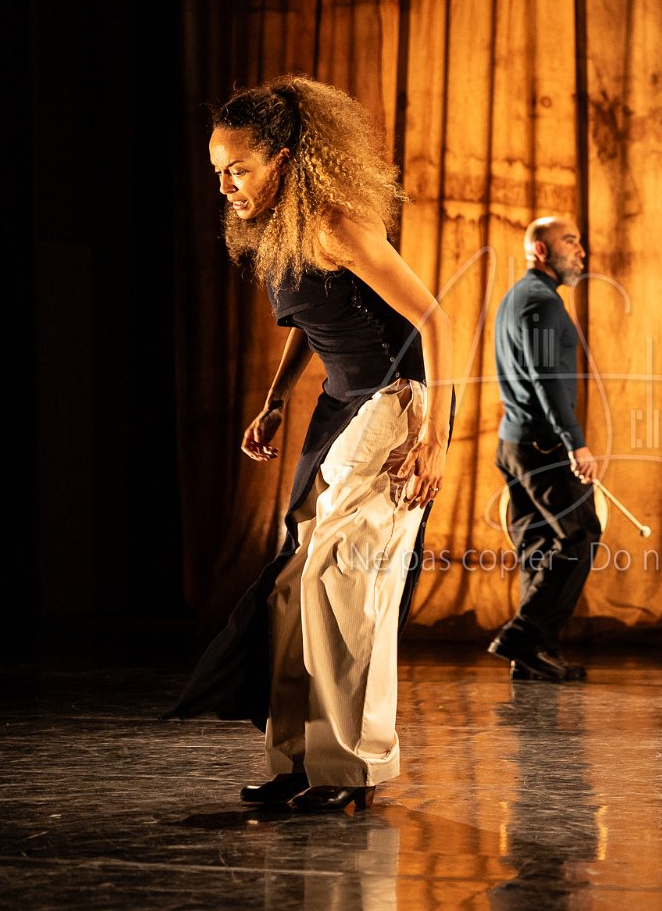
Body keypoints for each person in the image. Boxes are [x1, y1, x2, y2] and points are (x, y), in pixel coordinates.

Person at [167, 76, 452, 812]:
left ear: (284, 160)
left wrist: (435, 436)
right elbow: (312, 321)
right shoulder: (278, 228)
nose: (226, 187)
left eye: (239, 170)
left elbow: (436, 320)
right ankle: (297, 760)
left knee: (345, 585)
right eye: (218, 172)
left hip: (393, 403)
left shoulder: (335, 224)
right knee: (295, 588)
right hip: (340, 409)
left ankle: (352, 768)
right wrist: (274, 399)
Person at [487, 216, 600, 682]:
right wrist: (576, 443)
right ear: (540, 250)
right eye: (570, 241)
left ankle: (533, 655)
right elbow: (547, 379)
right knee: (579, 536)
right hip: (543, 445)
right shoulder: (542, 302)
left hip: (515, 444)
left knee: (538, 546)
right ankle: (522, 636)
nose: (581, 251)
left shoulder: (519, 297)